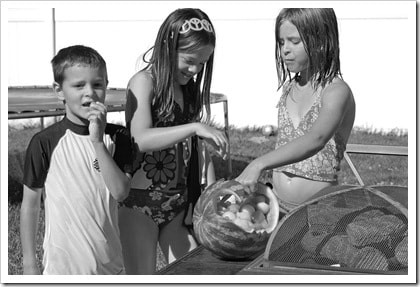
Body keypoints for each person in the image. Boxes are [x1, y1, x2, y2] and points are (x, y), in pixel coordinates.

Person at [118, 8, 228, 274]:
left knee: (196, 272)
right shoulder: (144, 82)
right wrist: (193, 127)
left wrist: (210, 194)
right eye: (190, 60)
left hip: (178, 205)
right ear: (168, 47)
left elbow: (197, 149)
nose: (195, 69)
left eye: (202, 63)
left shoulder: (187, 89)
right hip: (138, 204)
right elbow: (141, 138)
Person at [20, 45, 132, 275]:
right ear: (59, 91)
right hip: (62, 270)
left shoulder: (118, 138)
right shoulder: (45, 142)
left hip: (111, 269)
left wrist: (97, 141)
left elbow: (120, 192)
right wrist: (29, 262)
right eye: (79, 85)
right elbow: (30, 206)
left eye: (98, 84)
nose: (90, 93)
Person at [236, 8, 356, 213]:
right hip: (278, 206)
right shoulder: (290, 88)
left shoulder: (336, 91)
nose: (285, 50)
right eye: (281, 42)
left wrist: (258, 164)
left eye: (294, 41)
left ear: (320, 41)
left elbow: (315, 139)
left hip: (318, 211)